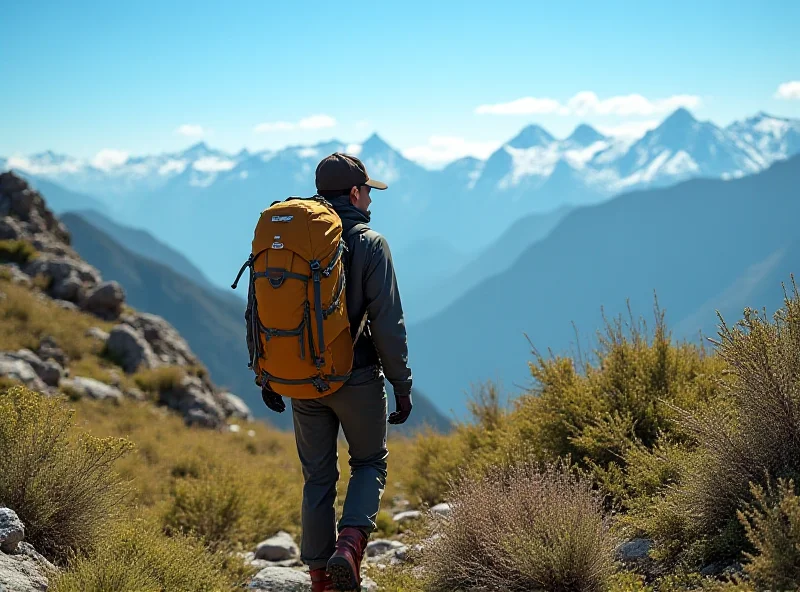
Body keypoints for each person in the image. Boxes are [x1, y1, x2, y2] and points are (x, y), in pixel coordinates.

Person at [260, 152, 413, 592]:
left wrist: (266, 375)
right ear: (353, 193)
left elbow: (260, 309)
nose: (370, 200)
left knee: (318, 478)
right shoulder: (370, 244)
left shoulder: (291, 242)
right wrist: (401, 386)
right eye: (368, 191)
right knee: (369, 462)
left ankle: (319, 580)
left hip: (301, 380)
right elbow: (388, 324)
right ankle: (349, 547)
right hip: (357, 378)